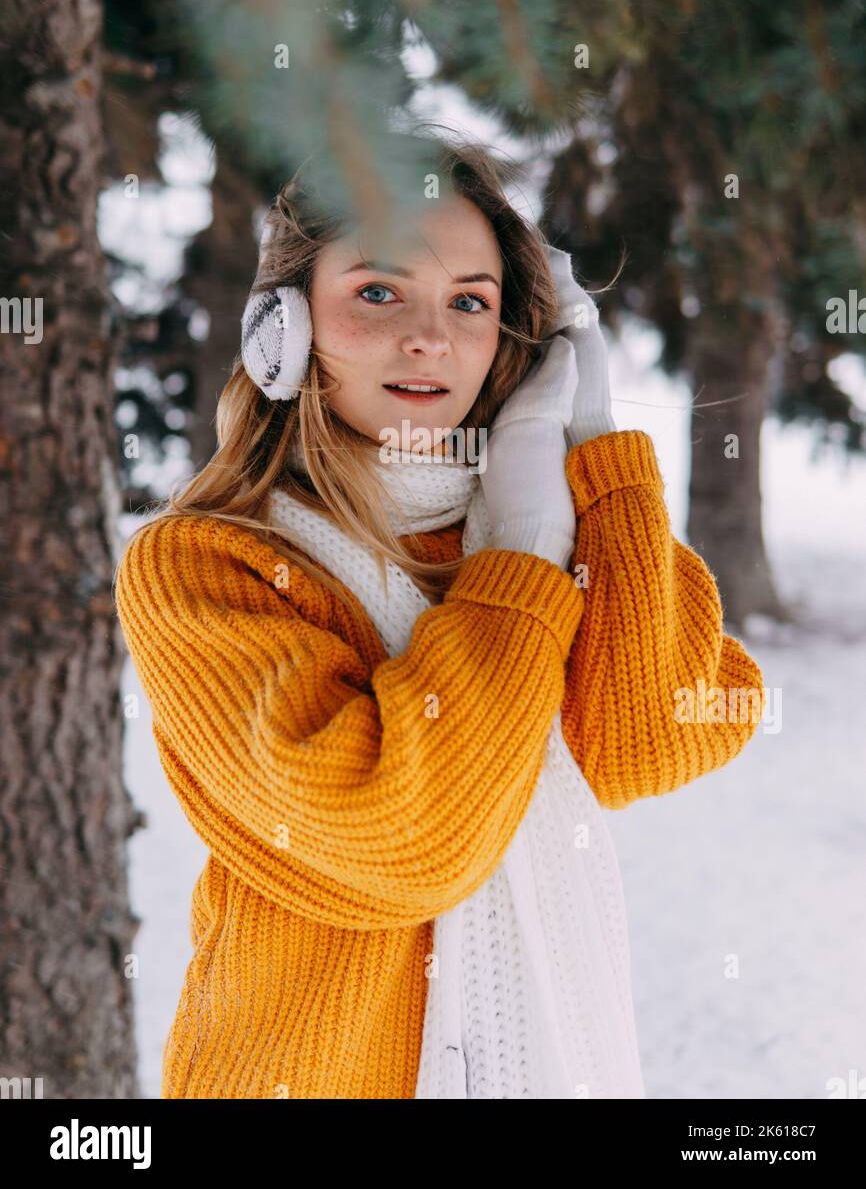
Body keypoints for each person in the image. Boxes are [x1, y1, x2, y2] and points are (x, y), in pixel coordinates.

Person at [113, 133, 764, 1100]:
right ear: (282, 328)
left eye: (471, 300)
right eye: (379, 291)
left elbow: (650, 735)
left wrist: (595, 449)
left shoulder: (532, 523)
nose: (432, 338)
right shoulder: (207, 563)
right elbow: (409, 834)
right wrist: (517, 563)